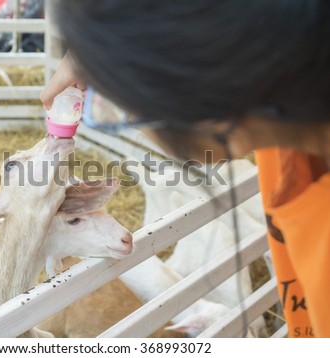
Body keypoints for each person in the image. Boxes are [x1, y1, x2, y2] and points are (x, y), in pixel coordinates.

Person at [40, 0, 330, 338]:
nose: (129, 120)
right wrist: (111, 47)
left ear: (202, 105)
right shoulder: (287, 126)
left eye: (126, 111)